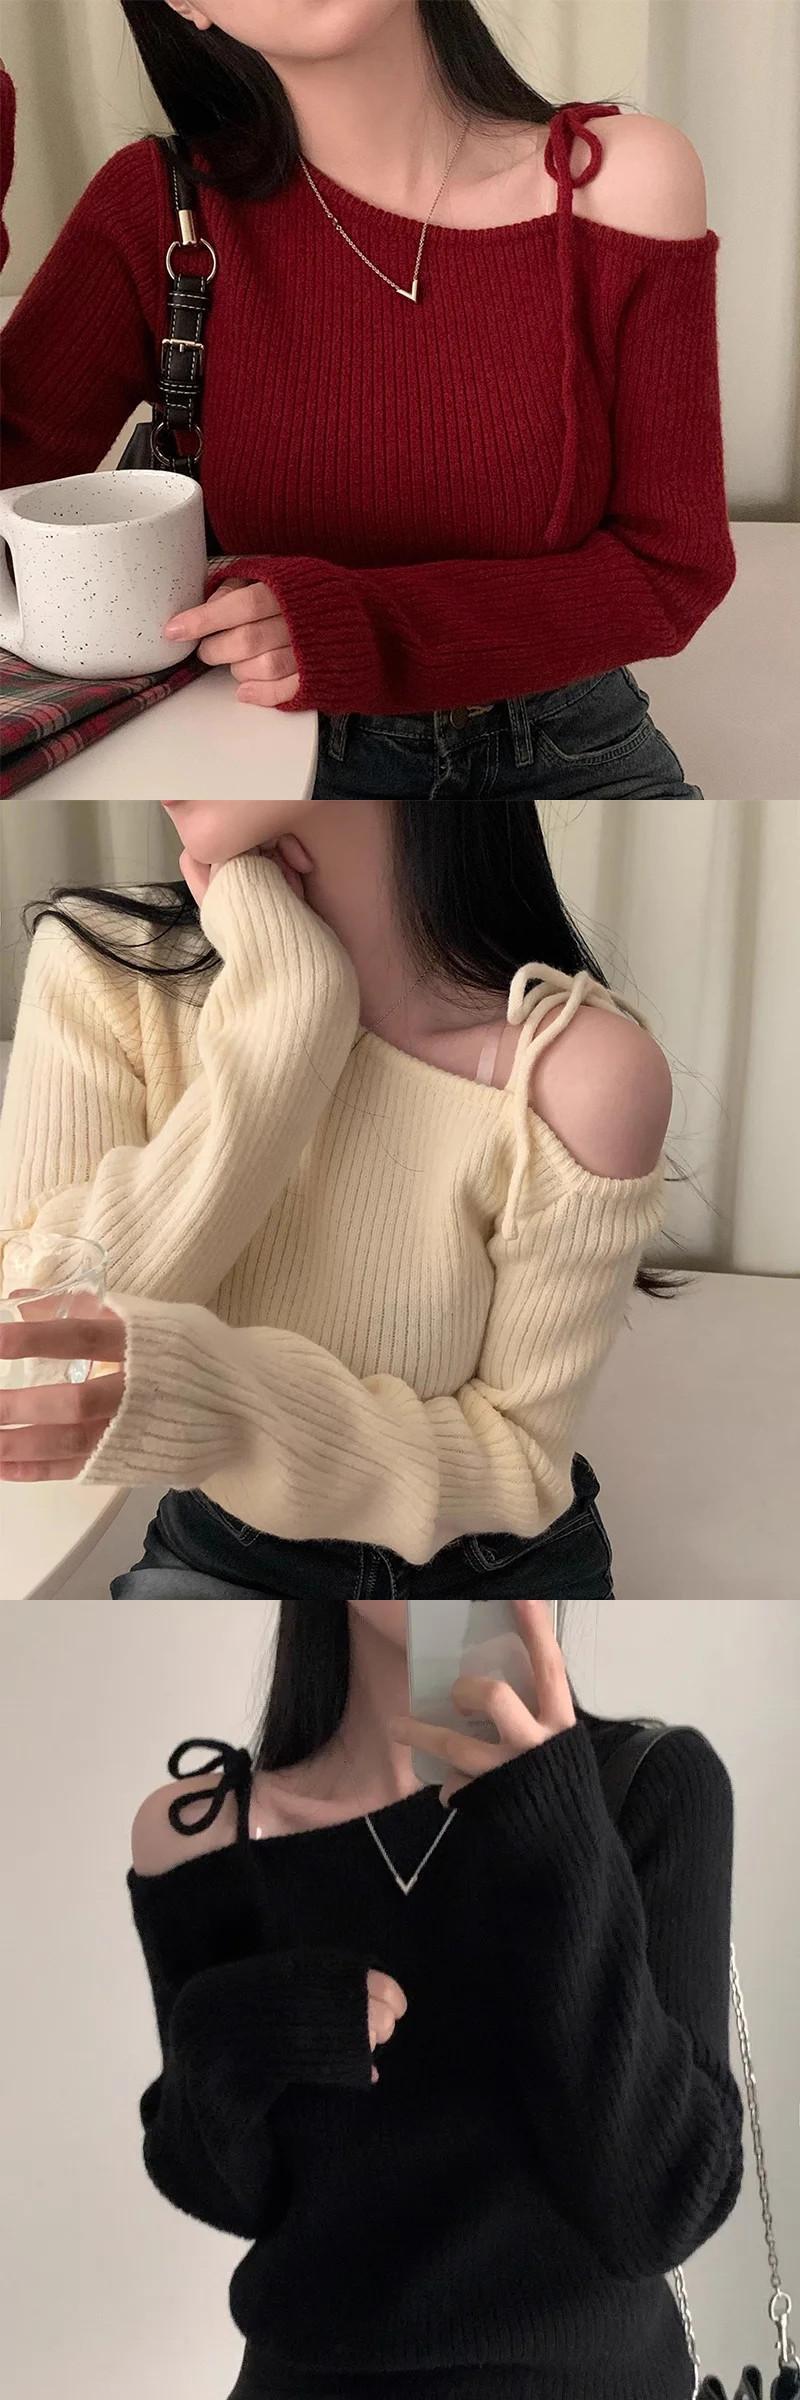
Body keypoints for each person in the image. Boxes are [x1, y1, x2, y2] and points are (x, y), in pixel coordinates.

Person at [0, 0, 736, 796]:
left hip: (564, 743)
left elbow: (672, 567)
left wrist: (370, 630)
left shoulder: (615, 180)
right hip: (272, 747)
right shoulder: (163, 209)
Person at [0, 797, 676, 1596]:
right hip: (231, 1546)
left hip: (491, 1565)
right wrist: (289, 1017)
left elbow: (517, 1466)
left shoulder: (575, 1072)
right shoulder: (102, 964)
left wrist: (213, 1404)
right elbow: (33, 1357)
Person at [127, 1595, 744, 2399]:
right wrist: (232, 2031)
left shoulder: (649, 1786)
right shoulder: (204, 1834)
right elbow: (229, 2192)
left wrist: (555, 1827)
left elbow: (658, 2210)